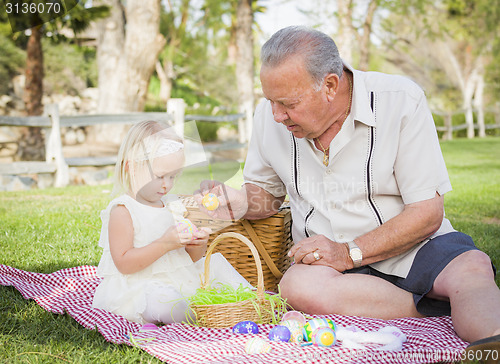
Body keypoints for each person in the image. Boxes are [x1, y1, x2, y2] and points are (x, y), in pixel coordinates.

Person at [196, 26, 500, 355]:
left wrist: (347, 252)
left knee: (471, 269)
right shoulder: (268, 120)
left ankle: (492, 342)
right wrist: (237, 201)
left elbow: (426, 214)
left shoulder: (400, 101)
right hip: (326, 268)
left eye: (288, 103)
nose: (277, 115)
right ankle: (436, 309)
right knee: (296, 286)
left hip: (415, 246)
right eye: (270, 100)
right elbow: (266, 197)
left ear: (330, 85)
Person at [92, 120, 250, 325]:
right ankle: (198, 316)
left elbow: (188, 259)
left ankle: (252, 303)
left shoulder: (172, 205)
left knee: (217, 264)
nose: (167, 185)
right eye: (160, 176)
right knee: (164, 302)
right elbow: (124, 263)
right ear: (131, 168)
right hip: (142, 284)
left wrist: (198, 244)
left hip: (179, 278)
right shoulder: (123, 210)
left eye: (173, 176)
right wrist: (165, 243)